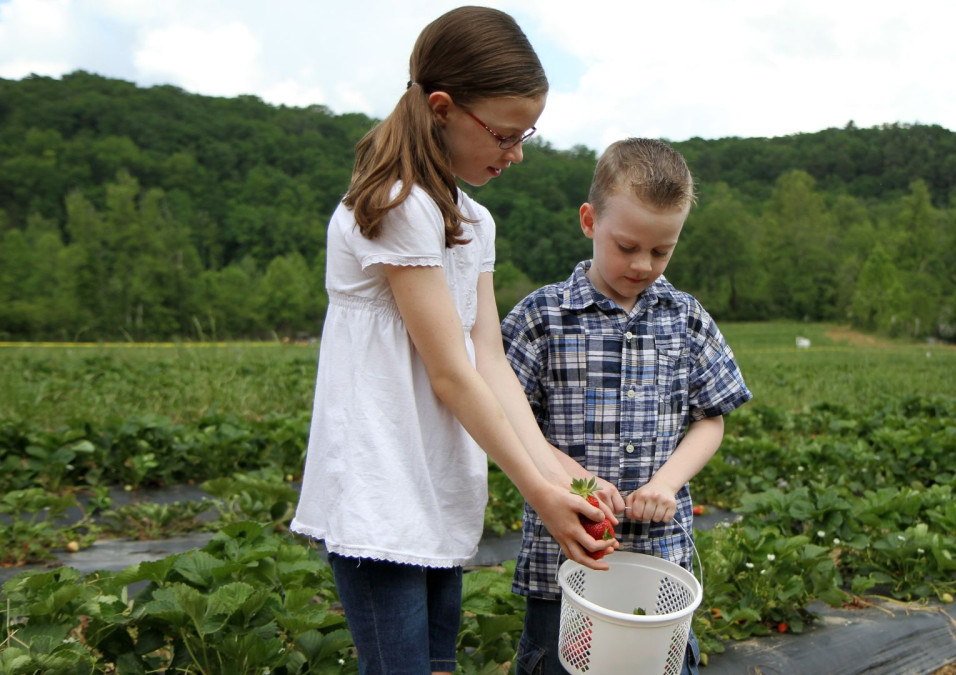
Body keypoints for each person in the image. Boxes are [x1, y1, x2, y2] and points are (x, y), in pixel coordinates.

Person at [290, 7, 618, 675]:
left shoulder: (474, 220)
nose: (516, 152)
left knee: (439, 665)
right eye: (504, 133)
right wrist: (537, 491)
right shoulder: (393, 202)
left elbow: (488, 361)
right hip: (381, 492)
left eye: (527, 134)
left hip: (436, 488)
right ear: (443, 108)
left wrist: (562, 472)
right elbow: (449, 373)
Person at [501, 138, 753, 674]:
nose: (643, 264)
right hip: (563, 562)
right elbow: (505, 421)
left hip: (660, 559)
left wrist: (666, 484)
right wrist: (575, 481)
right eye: (627, 246)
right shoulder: (541, 317)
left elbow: (710, 419)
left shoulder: (685, 318)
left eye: (662, 251)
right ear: (589, 221)